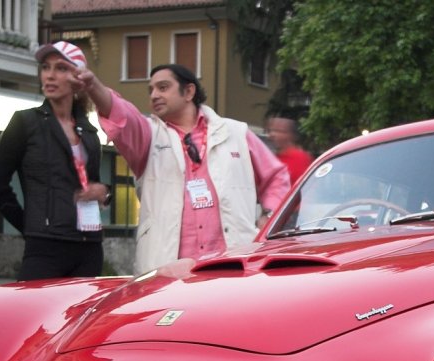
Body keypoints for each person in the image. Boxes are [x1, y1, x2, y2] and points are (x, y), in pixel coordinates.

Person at [76, 63, 290, 274]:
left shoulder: (236, 133)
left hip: (232, 265)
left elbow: (276, 176)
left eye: (163, 87)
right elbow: (123, 116)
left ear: (188, 91)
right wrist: (94, 86)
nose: (154, 96)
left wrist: (269, 216)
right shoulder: (149, 136)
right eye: (151, 90)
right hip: (170, 270)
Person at [0, 41, 109, 280]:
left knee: (81, 318)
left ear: (78, 78)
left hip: (89, 245)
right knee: (36, 317)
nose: (50, 76)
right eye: (45, 67)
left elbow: (94, 184)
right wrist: (30, 227)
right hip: (45, 248)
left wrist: (105, 192)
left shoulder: (89, 130)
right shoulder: (25, 122)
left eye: (61, 68)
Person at [266, 116, 314, 184]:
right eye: (271, 130)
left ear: (291, 135)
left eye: (279, 131)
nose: (272, 134)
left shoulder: (301, 159)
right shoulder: (270, 158)